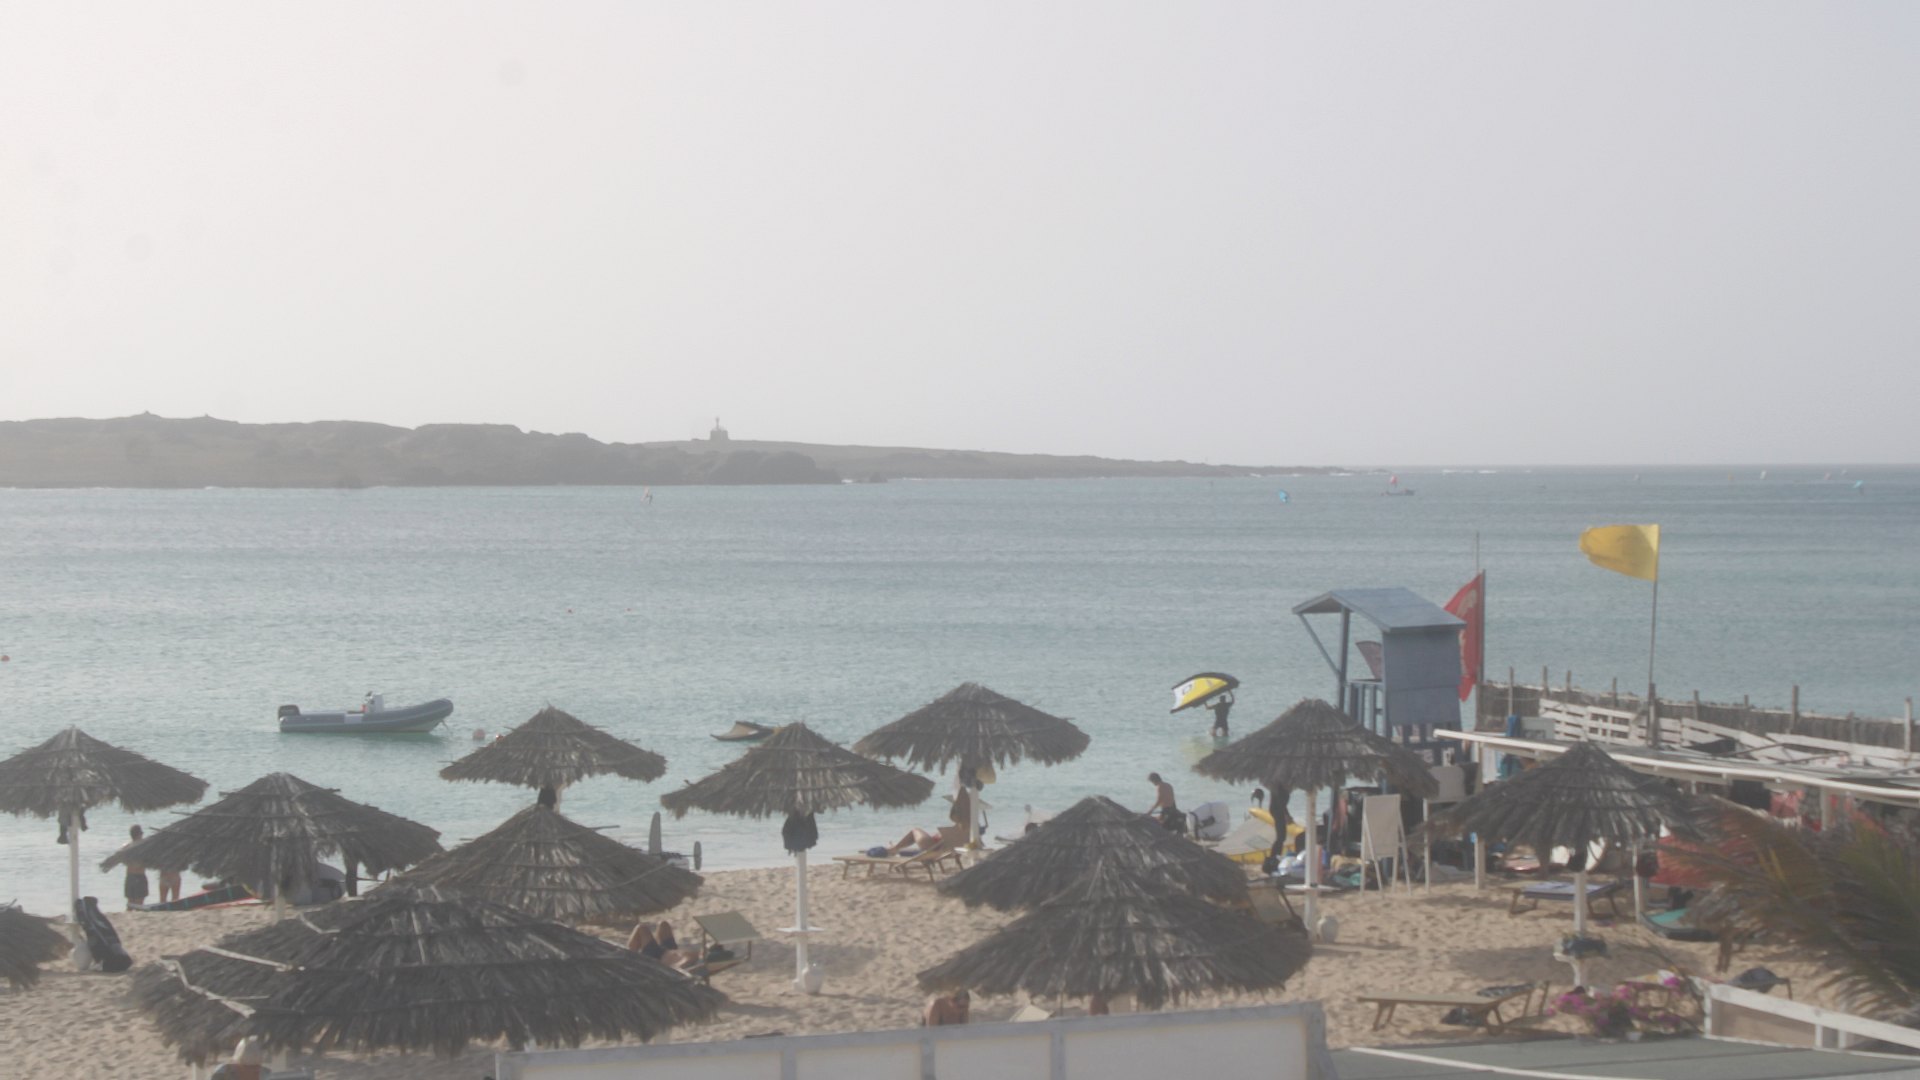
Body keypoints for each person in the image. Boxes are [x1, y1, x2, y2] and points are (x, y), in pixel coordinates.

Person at [627, 920, 697, 970]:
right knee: (664, 924)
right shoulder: (697, 955)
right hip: (669, 950)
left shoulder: (691, 960)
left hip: (656, 958)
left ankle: (628, 958)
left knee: (641, 928)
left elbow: (677, 969)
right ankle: (653, 945)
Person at [120, 825, 149, 910]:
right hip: (139, 876)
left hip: (130, 877)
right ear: (139, 834)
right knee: (139, 904)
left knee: (130, 903)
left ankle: (127, 916)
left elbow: (122, 860)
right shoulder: (143, 847)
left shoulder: (126, 847)